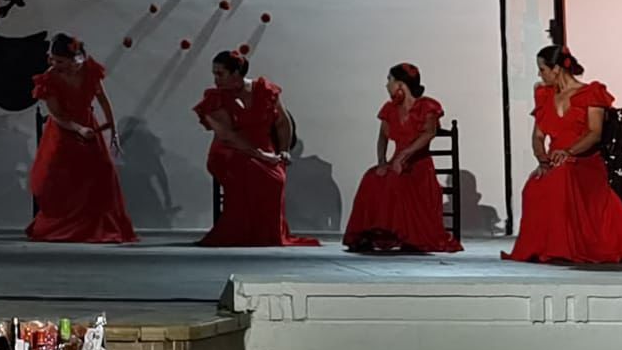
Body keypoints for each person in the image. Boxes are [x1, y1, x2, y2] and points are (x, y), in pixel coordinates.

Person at [503, 45, 622, 265]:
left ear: (556, 69)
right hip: (555, 159)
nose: (540, 74)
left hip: (584, 159)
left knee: (563, 175)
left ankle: (566, 247)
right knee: (534, 186)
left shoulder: (590, 93)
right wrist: (542, 159)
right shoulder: (544, 95)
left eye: (542, 69)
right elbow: (538, 136)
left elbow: (594, 134)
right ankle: (546, 245)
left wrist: (568, 152)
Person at [192, 50, 318, 247]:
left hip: (264, 148)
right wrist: (261, 155)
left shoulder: (264, 90)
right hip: (229, 150)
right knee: (251, 169)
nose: (215, 79)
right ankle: (241, 232)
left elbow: (283, 123)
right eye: (214, 74)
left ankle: (267, 233)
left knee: (275, 178)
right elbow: (228, 136)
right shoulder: (215, 99)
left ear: (236, 74)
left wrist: (283, 149)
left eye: (220, 74)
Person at [26, 34, 137, 242]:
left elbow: (103, 100)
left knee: (104, 171)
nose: (54, 64)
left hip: (88, 126)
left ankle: (100, 225)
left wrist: (113, 129)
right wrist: (78, 129)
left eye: (60, 61)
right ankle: (63, 225)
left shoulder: (89, 71)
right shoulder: (49, 79)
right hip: (64, 131)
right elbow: (57, 115)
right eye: (53, 60)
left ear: (75, 58)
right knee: (63, 177)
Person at [342, 63, 461, 253]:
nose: (386, 85)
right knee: (372, 177)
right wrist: (382, 161)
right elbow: (383, 137)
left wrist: (405, 155)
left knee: (396, 180)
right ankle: (374, 233)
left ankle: (405, 234)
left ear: (400, 84)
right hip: (395, 161)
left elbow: (429, 133)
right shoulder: (390, 109)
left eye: (389, 80)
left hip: (419, 165)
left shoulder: (427, 106)